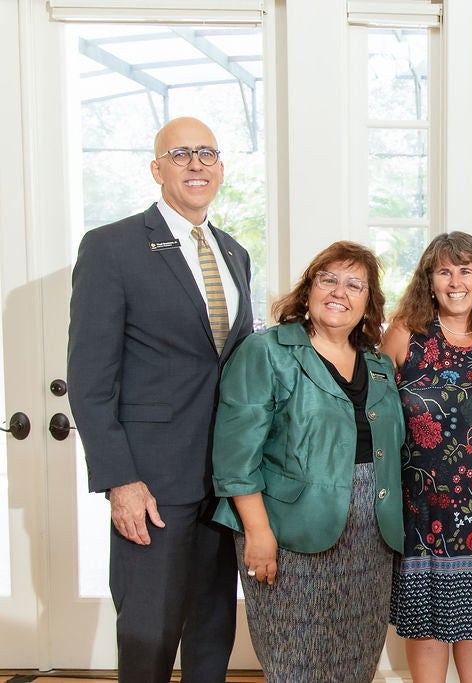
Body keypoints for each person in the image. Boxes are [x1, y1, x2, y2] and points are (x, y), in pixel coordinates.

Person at [67, 116, 251, 682]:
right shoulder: (111, 248)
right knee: (148, 637)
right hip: (150, 484)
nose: (196, 164)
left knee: (212, 633)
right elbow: (90, 380)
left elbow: (235, 366)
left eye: (207, 153)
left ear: (220, 167)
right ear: (156, 169)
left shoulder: (234, 253)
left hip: (222, 484)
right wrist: (120, 480)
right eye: (180, 154)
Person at [211, 241, 404, 682]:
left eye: (355, 285)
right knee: (295, 662)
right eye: (329, 279)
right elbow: (235, 458)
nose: (340, 291)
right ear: (309, 289)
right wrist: (258, 534)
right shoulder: (266, 351)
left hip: (369, 542)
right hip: (289, 535)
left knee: (356, 663)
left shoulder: (378, 364)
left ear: (368, 302)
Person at [383, 232, 472, 683]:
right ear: (429, 282)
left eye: (466, 270)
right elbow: (373, 408)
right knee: (425, 630)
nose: (456, 281)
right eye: (444, 271)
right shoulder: (406, 334)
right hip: (422, 512)